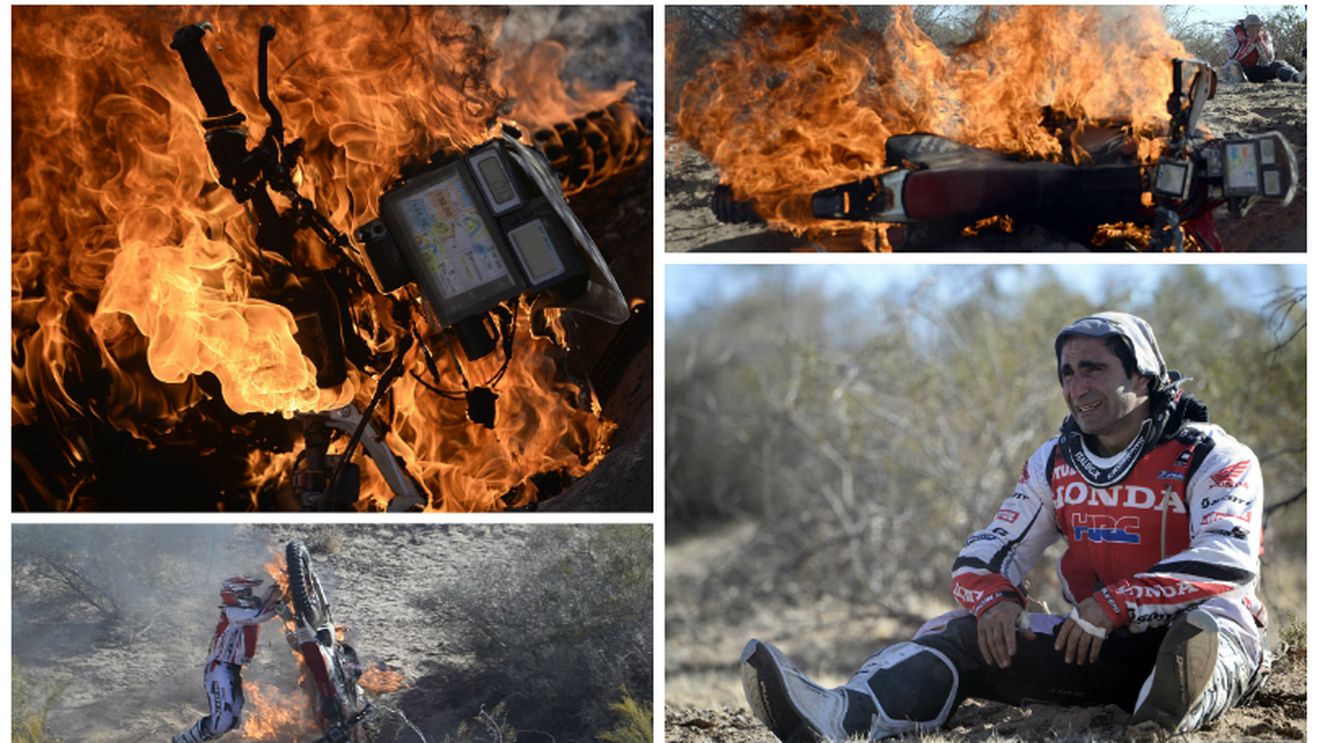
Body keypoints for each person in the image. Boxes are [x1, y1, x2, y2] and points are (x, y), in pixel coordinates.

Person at [741, 312, 1268, 742]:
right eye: (1066, 372)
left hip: (1194, 632)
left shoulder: (1213, 455)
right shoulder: (1053, 462)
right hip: (1090, 644)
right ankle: (840, 715)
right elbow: (989, 549)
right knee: (958, 630)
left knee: (1208, 627)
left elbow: (1228, 558)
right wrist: (996, 600)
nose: (1076, 386)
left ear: (1142, 377)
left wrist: (1116, 603)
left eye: (1093, 369)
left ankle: (1159, 719)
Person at [174, 576, 288, 743]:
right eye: (245, 592)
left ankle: (196, 738)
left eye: (249, 592)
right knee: (223, 722)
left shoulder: (241, 611)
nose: (249, 595)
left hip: (231, 669)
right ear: (233, 594)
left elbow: (262, 604)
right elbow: (260, 615)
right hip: (219, 668)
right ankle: (183, 741)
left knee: (233, 720)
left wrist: (278, 589)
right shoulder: (232, 612)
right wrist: (278, 607)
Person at [1222, 14, 1304, 84]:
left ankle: (1297, 77)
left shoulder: (1264, 35)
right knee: (1234, 67)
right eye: (1251, 27)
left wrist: (1259, 43)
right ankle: (1241, 82)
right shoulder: (1231, 33)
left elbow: (1269, 59)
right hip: (1239, 68)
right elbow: (1235, 56)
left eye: (1257, 27)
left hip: (1257, 69)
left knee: (1279, 64)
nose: (1255, 29)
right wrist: (1249, 42)